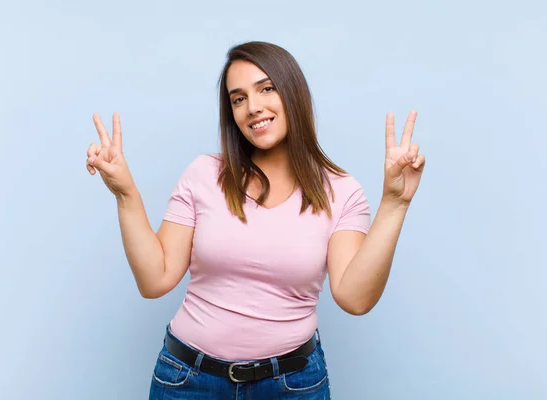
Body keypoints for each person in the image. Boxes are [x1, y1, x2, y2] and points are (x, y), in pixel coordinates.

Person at [85, 41, 426, 399]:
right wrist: (125, 193)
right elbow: (154, 279)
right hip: (188, 381)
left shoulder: (342, 191)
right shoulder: (204, 174)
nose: (253, 107)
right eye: (238, 98)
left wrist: (394, 203)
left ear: (293, 93)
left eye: (266, 88)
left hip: (292, 385)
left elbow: (355, 298)